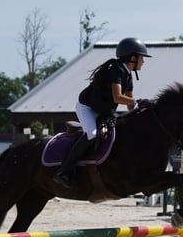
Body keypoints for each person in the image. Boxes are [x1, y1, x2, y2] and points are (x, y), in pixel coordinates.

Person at [54, 37, 152, 187]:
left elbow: (130, 105)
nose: (143, 62)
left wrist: (140, 113)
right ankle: (64, 170)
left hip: (105, 111)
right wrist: (138, 101)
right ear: (133, 58)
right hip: (87, 108)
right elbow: (118, 97)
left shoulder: (128, 75)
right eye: (141, 58)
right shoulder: (115, 70)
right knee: (92, 134)